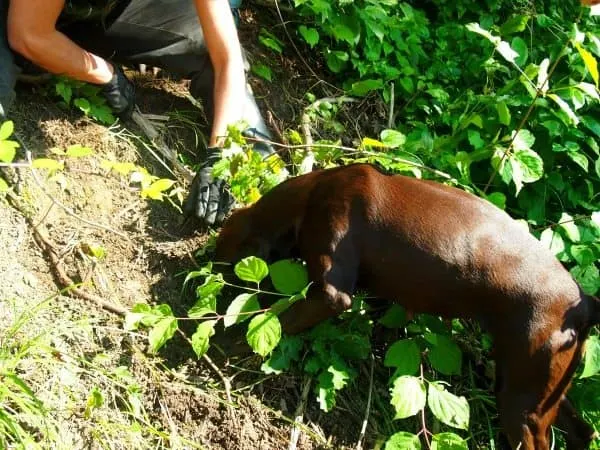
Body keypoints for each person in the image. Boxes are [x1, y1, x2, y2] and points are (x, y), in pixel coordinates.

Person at [0, 0, 274, 227]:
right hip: (18, 16)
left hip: (95, 15)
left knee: (202, 41)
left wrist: (221, 154)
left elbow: (226, 58)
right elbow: (28, 33)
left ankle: (264, 184)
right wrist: (105, 74)